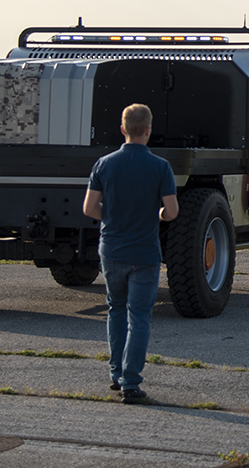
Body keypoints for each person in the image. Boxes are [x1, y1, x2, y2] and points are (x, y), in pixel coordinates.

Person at [83, 104, 179, 404]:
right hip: (145, 253)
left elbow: (89, 208)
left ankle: (116, 373)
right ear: (148, 130)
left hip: (112, 249)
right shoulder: (160, 167)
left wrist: (111, 214)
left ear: (122, 128)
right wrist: (159, 214)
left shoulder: (104, 164)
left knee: (116, 309)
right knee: (139, 317)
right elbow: (172, 211)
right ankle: (131, 382)